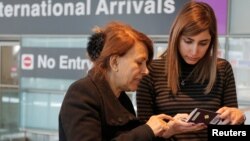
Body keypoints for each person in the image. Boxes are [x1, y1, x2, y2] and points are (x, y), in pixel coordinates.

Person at [59, 21, 202, 141]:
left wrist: (166, 132)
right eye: (139, 63)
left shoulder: (122, 99)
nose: (146, 71)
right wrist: (147, 130)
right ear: (114, 62)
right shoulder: (81, 93)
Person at [136, 1, 246, 141]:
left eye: (203, 43)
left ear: (211, 42)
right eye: (188, 41)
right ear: (176, 37)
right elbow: (142, 137)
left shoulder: (222, 70)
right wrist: (169, 131)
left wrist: (239, 119)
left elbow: (234, 135)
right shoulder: (150, 71)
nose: (194, 51)